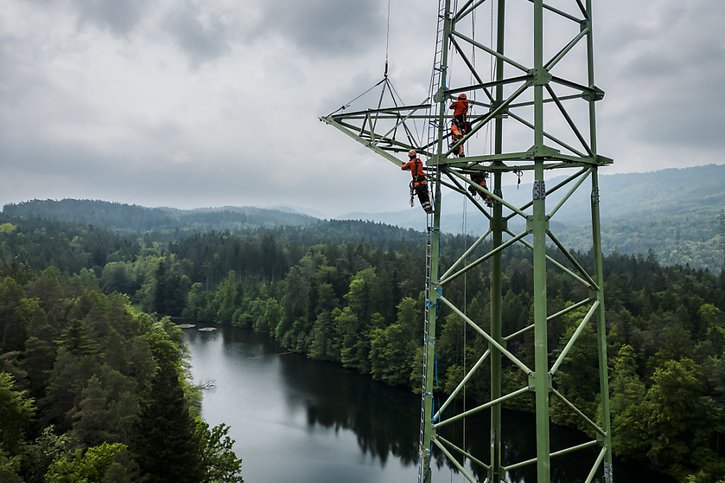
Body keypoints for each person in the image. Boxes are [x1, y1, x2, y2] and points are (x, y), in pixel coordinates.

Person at [401, 150, 433, 214]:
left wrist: (404, 164)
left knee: (421, 198)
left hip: (417, 184)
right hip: (423, 182)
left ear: (410, 156)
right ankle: (429, 209)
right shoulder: (419, 161)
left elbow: (403, 168)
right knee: (426, 196)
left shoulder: (410, 163)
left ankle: (426, 210)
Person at [449, 93, 469, 157]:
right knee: (461, 138)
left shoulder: (457, 103)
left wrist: (454, 103)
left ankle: (458, 135)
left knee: (454, 128)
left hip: (457, 118)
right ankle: (461, 153)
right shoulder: (466, 104)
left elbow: (451, 107)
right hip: (463, 120)